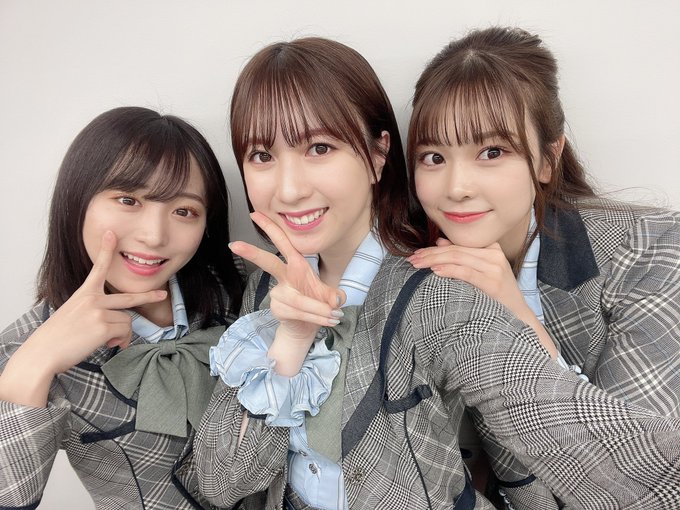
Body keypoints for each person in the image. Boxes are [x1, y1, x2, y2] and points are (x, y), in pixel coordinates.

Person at [193, 37, 680, 510]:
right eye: (261, 156)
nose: (289, 189)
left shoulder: (439, 287)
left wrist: (522, 324)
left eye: (319, 148)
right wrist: (289, 340)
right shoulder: (265, 283)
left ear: (380, 154)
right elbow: (221, 482)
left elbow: (641, 476)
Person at [406, 26, 680, 509]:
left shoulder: (651, 250)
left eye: (492, 152)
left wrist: (519, 324)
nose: (456, 187)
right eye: (433, 157)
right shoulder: (424, 276)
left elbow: (650, 482)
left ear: (547, 160)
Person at [0, 106, 244, 509]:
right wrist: (34, 363)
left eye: (184, 211)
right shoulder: (21, 349)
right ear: (77, 200)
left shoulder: (236, 288)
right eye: (129, 200)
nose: (154, 236)